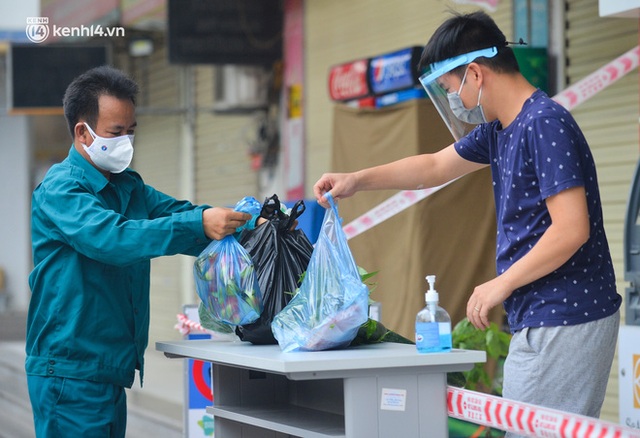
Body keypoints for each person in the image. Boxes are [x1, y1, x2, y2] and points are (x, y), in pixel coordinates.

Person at [314, 10, 621, 432]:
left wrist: (501, 282)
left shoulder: (544, 124)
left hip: (568, 316)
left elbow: (571, 229)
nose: (453, 100)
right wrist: (356, 180)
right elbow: (433, 167)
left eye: (449, 88)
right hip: (541, 315)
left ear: (475, 74)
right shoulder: (501, 129)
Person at [25, 65, 252, 437]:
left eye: (131, 131)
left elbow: (181, 216)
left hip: (107, 371)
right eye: (116, 133)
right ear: (83, 132)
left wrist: (249, 225)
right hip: (69, 373)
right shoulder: (61, 190)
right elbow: (113, 239)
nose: (126, 142)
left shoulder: (128, 185)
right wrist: (198, 224)